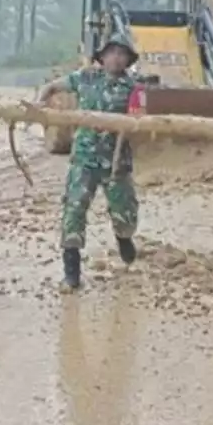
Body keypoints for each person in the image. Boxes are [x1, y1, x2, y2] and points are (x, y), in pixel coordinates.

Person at [35, 32, 140, 289]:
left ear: (127, 61)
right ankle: (72, 274)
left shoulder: (134, 89)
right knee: (73, 211)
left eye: (122, 54)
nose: (116, 58)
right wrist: (37, 105)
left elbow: (140, 119)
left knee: (124, 215)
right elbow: (50, 88)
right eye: (112, 53)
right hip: (84, 158)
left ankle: (124, 240)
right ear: (101, 57)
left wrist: (127, 124)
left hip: (116, 162)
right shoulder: (84, 78)